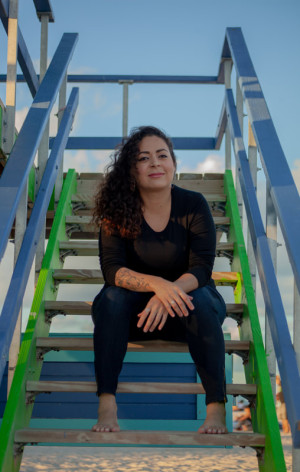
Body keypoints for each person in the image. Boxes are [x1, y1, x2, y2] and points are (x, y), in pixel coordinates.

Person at [91, 125, 227, 434]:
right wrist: (157, 285)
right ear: (131, 169)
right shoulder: (116, 211)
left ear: (174, 164)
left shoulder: (193, 204)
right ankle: (106, 404)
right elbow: (113, 271)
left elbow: (203, 268)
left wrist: (170, 293)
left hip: (189, 313)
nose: (155, 163)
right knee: (112, 297)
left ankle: (216, 408)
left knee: (203, 297)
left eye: (162, 155)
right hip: (137, 318)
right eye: (144, 158)